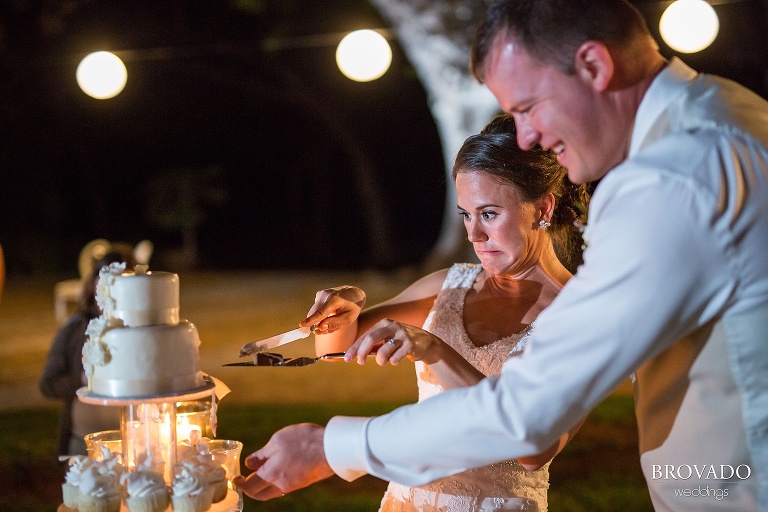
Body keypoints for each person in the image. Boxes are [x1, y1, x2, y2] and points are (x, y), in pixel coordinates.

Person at [233, 1, 768, 510]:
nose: (529, 136)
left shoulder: (675, 176)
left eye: (528, 108)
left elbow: (530, 415)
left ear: (593, 64)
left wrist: (334, 448)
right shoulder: (730, 116)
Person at [302, 113, 587, 511]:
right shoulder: (450, 286)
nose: (473, 235)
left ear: (543, 208)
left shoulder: (581, 314)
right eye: (466, 215)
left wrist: (436, 351)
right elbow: (333, 347)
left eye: (489, 214)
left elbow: (535, 449)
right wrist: (345, 304)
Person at [39, 248, 134, 456]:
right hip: (83, 444)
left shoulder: (145, 332)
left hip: (136, 444)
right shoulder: (76, 329)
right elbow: (48, 384)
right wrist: (82, 379)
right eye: (106, 281)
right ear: (93, 285)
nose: (114, 289)